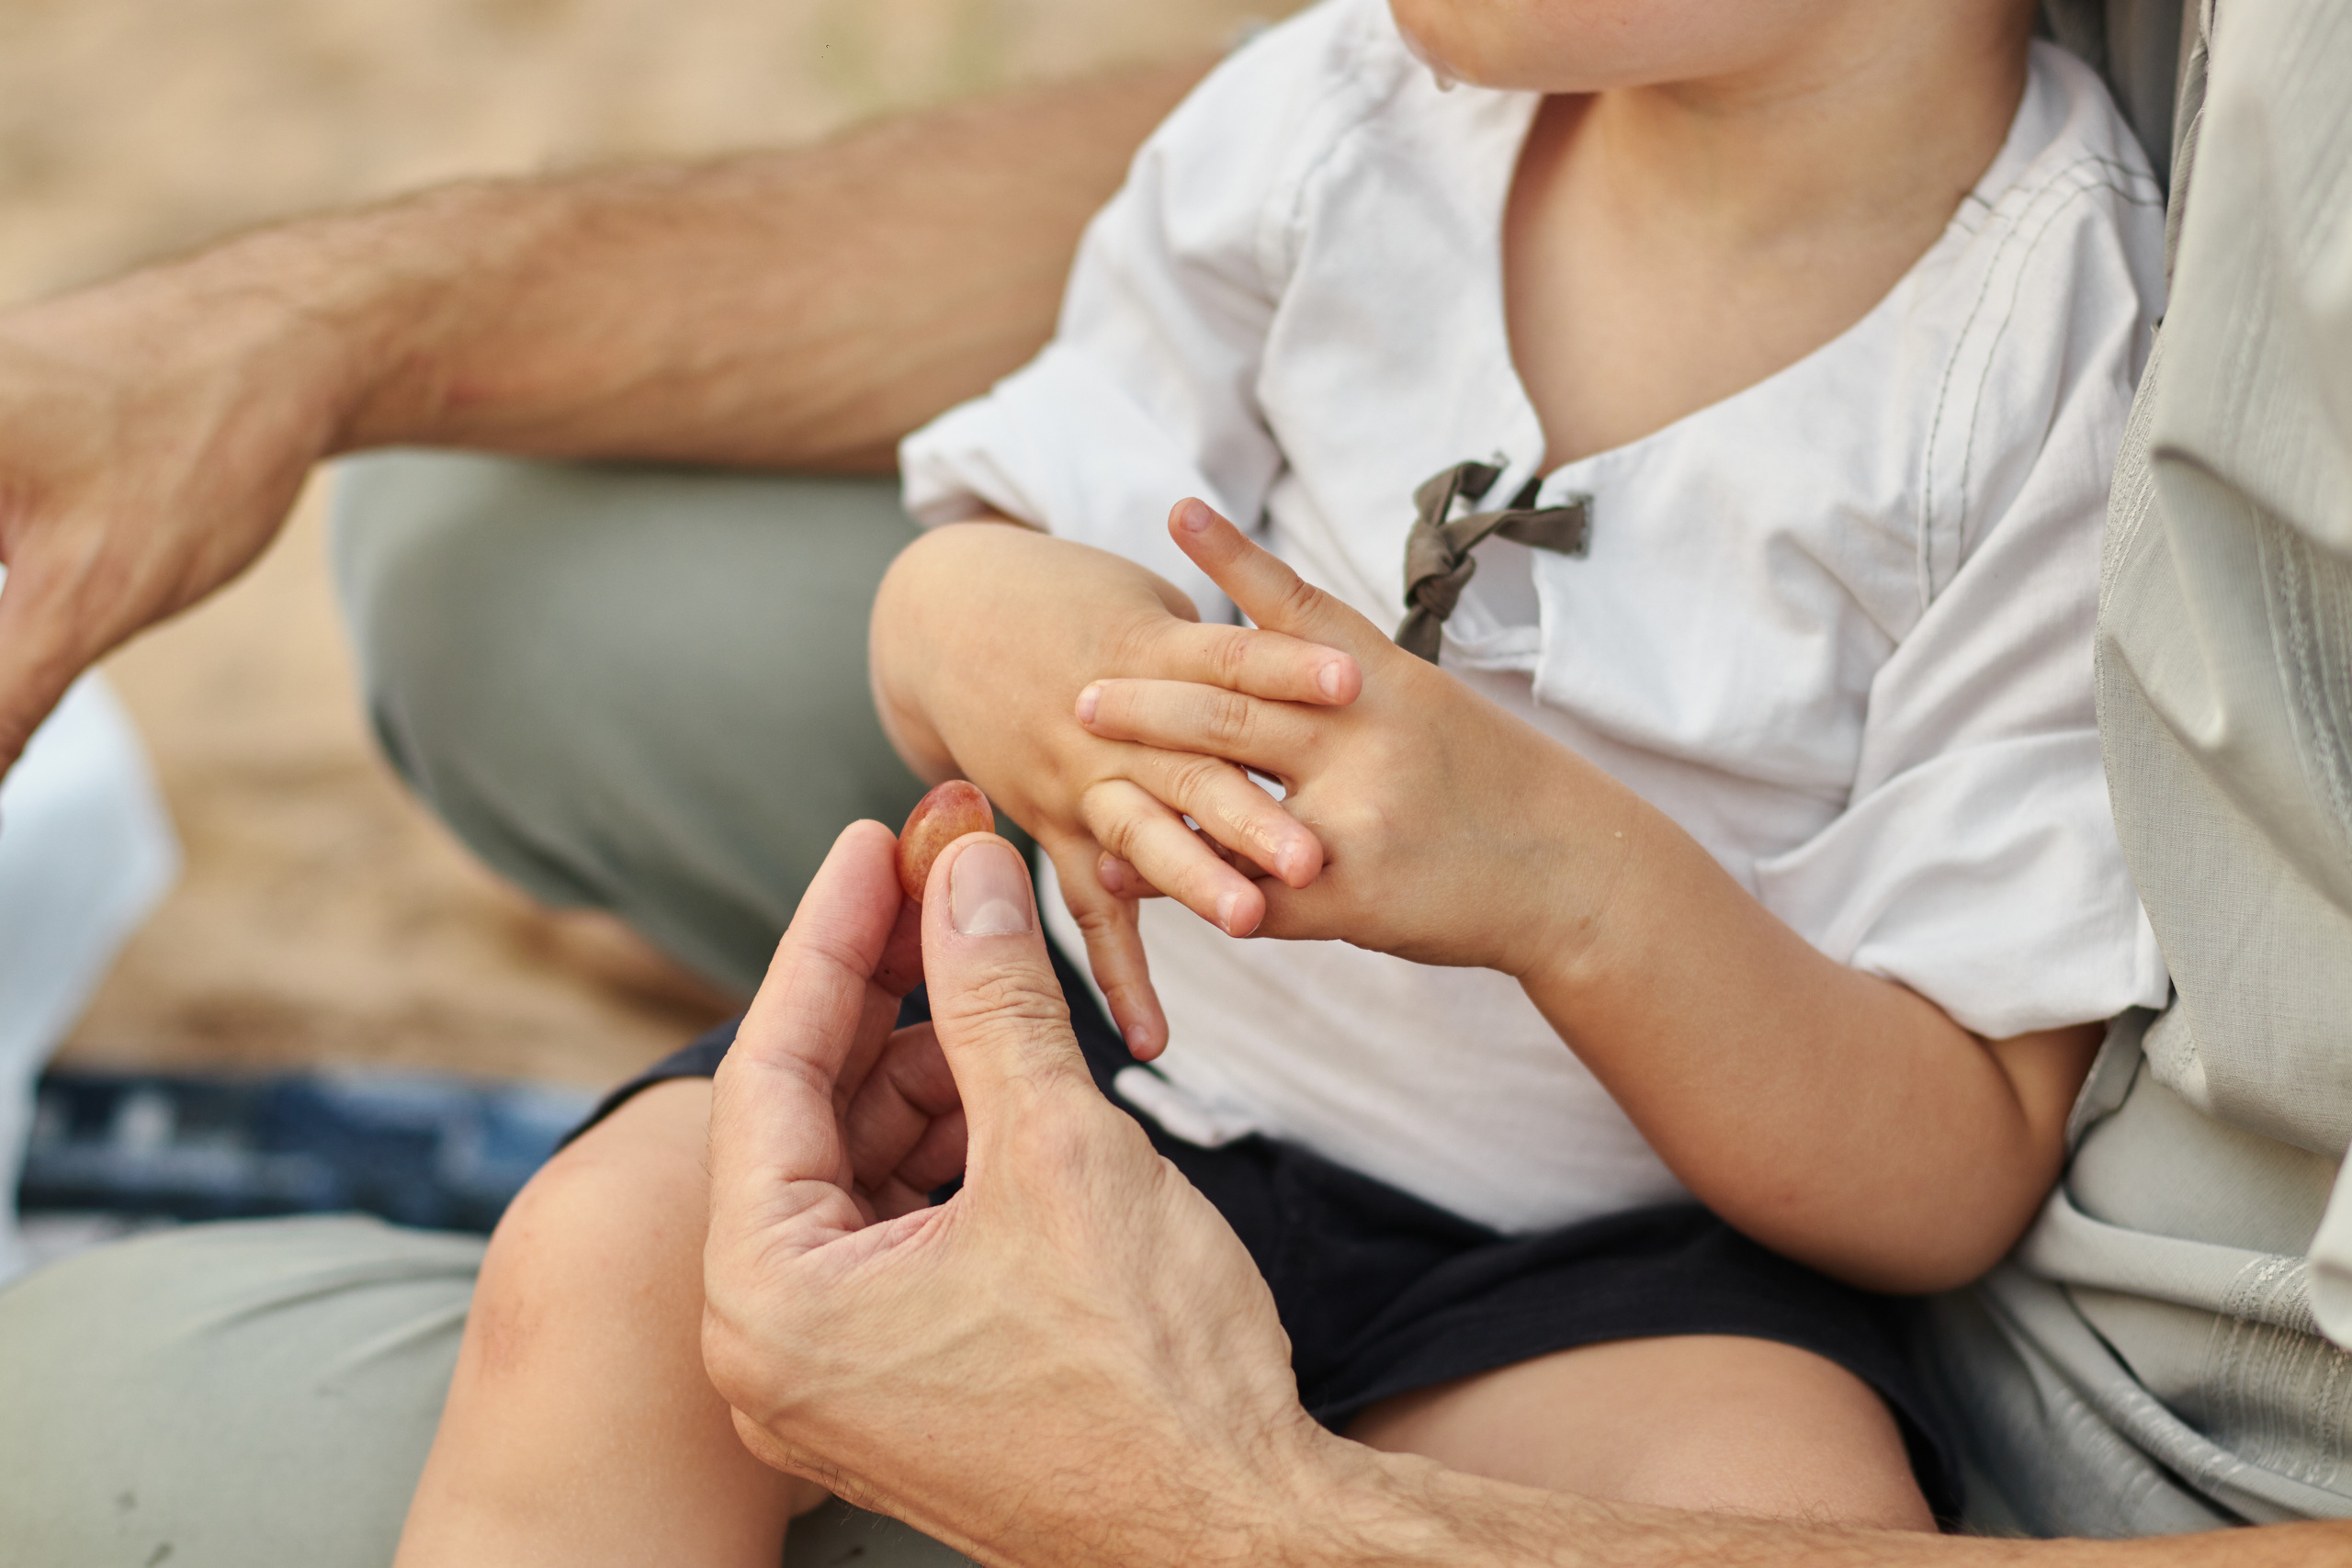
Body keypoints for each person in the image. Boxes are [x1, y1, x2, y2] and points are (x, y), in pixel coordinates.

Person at [0, 0, 2346, 1562]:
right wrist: (1026, 649)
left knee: (1786, 1490)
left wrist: (1567, 886)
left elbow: (1939, 1168)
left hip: (1606, 1267)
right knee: (609, 1253)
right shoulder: (1352, 118)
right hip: (1103, 1087)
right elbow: (961, 574)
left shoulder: (2054, 344)